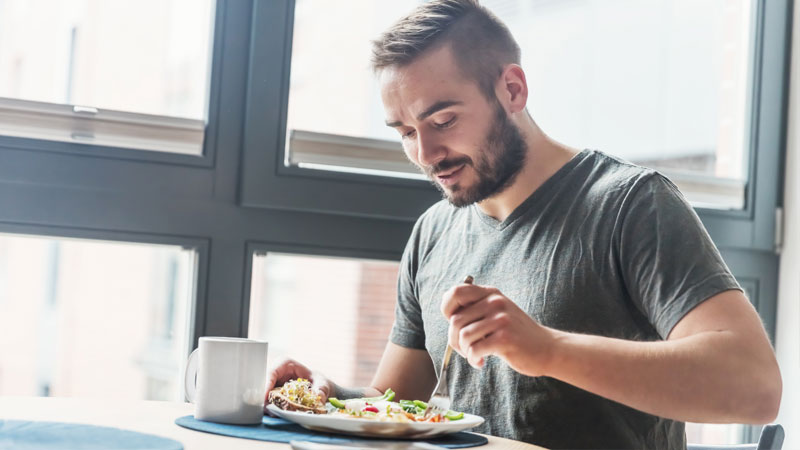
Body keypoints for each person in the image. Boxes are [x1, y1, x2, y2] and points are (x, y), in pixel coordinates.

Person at [266, 1, 782, 448]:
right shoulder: (433, 232)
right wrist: (328, 396)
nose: (425, 155)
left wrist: (548, 350)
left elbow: (754, 387)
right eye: (405, 132)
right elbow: (396, 403)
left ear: (512, 89)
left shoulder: (631, 204)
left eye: (443, 121)